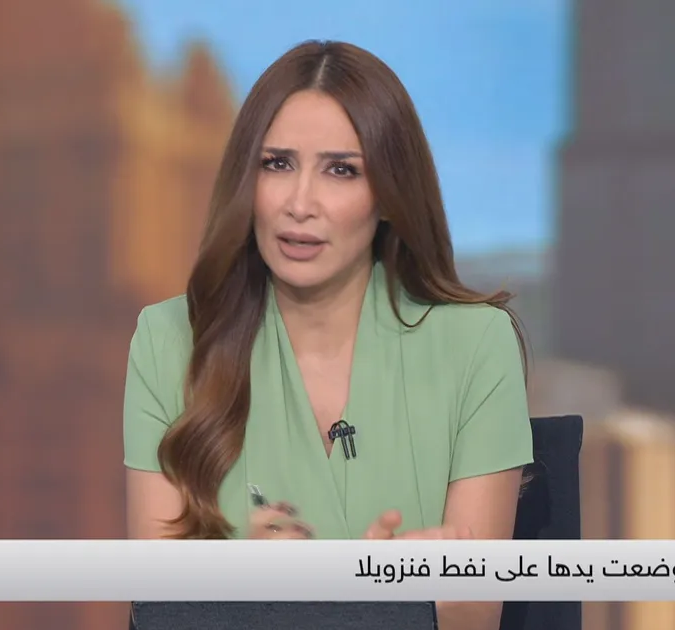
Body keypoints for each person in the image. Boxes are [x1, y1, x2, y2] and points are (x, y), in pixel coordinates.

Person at [123, 39, 534, 630]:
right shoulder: (168, 340)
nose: (300, 203)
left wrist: (333, 595)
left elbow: (474, 612)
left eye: (341, 170)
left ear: (388, 195)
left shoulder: (475, 344)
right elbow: (157, 610)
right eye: (277, 164)